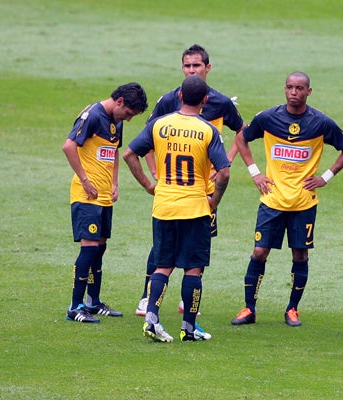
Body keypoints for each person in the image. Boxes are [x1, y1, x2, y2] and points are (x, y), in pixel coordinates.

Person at [231, 71, 343, 327]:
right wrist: (255, 173)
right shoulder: (268, 118)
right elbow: (241, 137)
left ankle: (292, 309)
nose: (293, 92)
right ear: (284, 89)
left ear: (309, 91)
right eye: (289, 87)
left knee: (299, 255)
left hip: (303, 203)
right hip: (272, 200)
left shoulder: (320, 123)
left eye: (299, 88)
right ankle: (249, 308)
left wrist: (326, 176)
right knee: (259, 251)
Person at [134, 44, 245, 317]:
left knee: (200, 245)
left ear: (208, 67)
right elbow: (146, 139)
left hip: (205, 188)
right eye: (187, 66)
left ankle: (186, 302)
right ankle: (148, 298)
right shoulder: (168, 100)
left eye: (196, 65)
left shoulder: (221, 102)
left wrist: (225, 162)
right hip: (175, 188)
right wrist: (155, 173)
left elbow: (242, 132)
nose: (191, 70)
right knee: (162, 247)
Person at [123, 75, 230, 342]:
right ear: (205, 100)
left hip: (164, 207)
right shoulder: (208, 130)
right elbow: (224, 172)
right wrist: (214, 202)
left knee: (162, 266)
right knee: (193, 269)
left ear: (180, 96)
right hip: (195, 208)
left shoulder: (159, 125)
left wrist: (148, 185)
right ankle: (188, 328)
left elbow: (129, 154)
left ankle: (151, 320)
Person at [62, 82, 148, 323]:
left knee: (99, 249)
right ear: (119, 102)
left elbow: (114, 150)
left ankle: (93, 302)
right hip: (86, 195)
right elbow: (68, 146)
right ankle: (74, 307)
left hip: (104, 196)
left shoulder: (116, 120)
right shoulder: (92, 115)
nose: (128, 119)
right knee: (89, 248)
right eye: (128, 113)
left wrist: (114, 183)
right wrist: (85, 180)